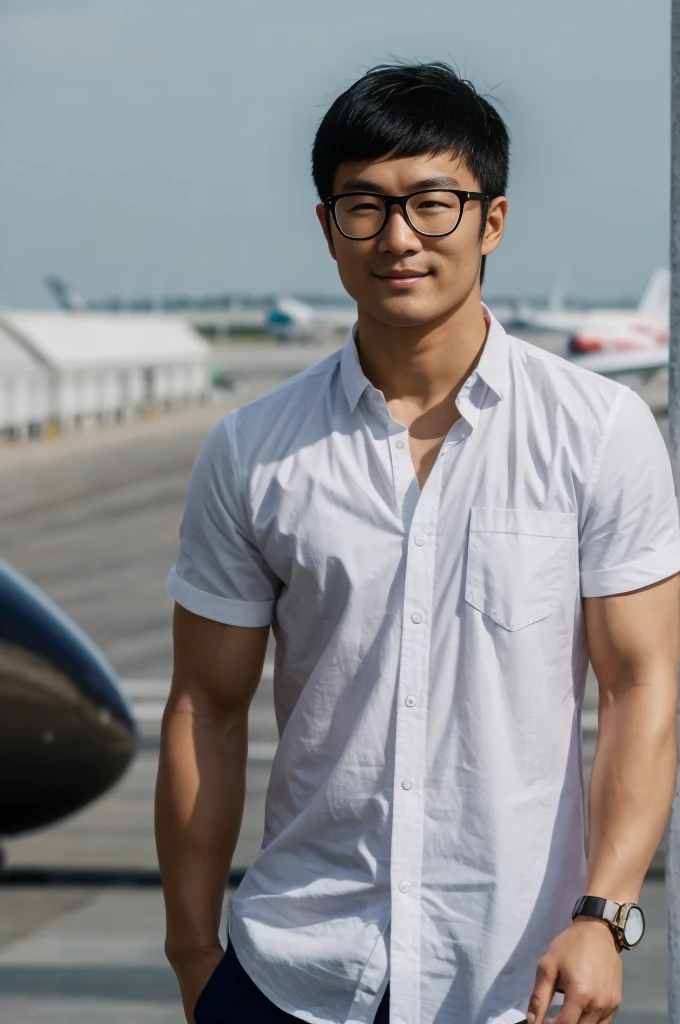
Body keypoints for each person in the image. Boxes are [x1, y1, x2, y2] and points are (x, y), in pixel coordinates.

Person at [155, 61, 680, 1024]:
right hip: (292, 972)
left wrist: (605, 917)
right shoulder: (253, 451)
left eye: (434, 203)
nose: (399, 237)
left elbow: (641, 684)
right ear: (327, 228)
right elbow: (205, 707)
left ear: (494, 221)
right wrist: (194, 952)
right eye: (364, 206)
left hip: (518, 980)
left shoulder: (598, 431)